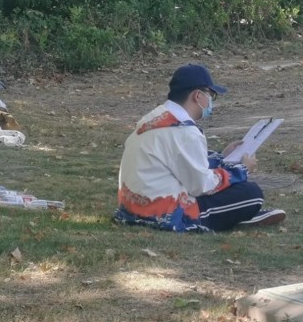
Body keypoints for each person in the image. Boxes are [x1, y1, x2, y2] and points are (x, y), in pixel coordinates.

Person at [115, 64, 286, 231]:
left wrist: (221, 157)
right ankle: (240, 215)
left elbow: (181, 163)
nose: (211, 101)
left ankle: (239, 214)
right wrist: (241, 169)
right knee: (251, 193)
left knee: (236, 187)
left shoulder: (153, 119)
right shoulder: (186, 131)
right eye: (211, 94)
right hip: (166, 212)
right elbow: (202, 186)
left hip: (133, 207)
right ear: (198, 96)